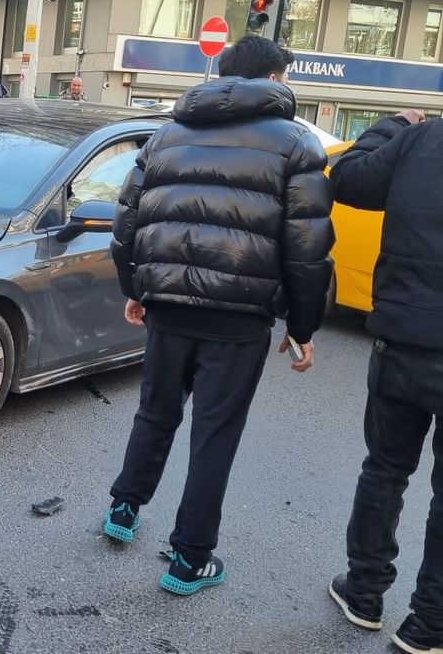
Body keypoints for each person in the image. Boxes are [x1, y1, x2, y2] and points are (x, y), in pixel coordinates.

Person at [103, 35, 334, 596]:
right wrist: (302, 326)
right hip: (240, 315)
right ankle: (190, 558)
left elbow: (127, 220)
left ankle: (124, 508)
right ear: (274, 78)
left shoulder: (166, 134)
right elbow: (307, 247)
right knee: (215, 434)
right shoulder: (296, 143)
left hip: (166, 303)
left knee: (155, 412)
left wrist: (135, 287)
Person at [326, 108, 443, 654]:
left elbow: (348, 179)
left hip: (404, 336)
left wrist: (394, 123)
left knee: (385, 469)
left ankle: (364, 593)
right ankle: (430, 622)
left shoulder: (421, 140)